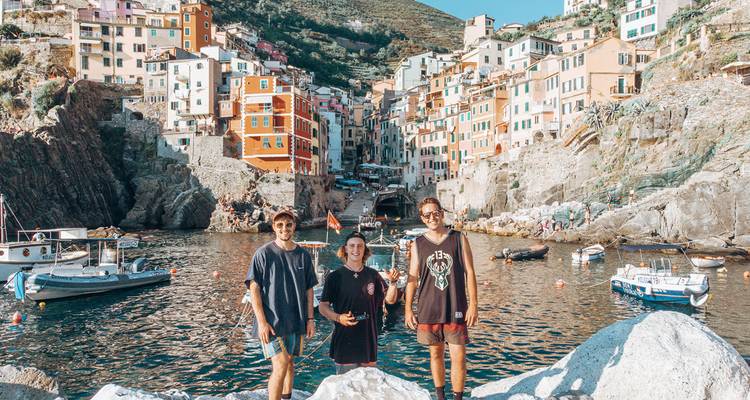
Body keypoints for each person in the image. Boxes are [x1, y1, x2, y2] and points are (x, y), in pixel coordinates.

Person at [405, 197, 478, 400]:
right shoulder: (417, 244)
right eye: (427, 214)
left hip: (456, 305)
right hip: (429, 308)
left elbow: (470, 273)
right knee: (435, 354)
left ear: (442, 213)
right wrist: (408, 309)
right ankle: (440, 397)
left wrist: (473, 305)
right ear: (422, 218)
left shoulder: (458, 238)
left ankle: (457, 398)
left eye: (435, 212)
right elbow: (412, 279)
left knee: (459, 356)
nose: (432, 217)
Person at [245, 209, 317, 400]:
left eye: (288, 224)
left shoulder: (303, 255)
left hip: (296, 319)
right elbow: (254, 289)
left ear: (294, 226)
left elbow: (309, 290)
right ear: (274, 228)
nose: (284, 228)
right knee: (281, 363)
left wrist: (310, 319)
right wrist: (261, 322)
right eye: (280, 225)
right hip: (272, 321)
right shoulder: (263, 254)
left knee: (290, 363)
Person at [319, 231, 400, 374]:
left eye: (360, 246)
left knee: (368, 385)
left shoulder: (373, 275)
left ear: (365, 250)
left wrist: (393, 283)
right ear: (345, 249)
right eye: (352, 246)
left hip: (368, 337)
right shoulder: (335, 277)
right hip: (344, 337)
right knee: (346, 386)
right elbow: (323, 307)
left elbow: (390, 300)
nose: (355, 250)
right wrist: (338, 318)